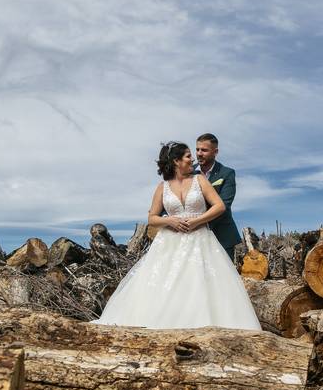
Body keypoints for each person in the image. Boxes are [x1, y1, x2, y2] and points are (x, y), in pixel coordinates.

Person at [92, 141, 261, 330]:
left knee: (199, 284)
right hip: (169, 242)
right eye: (188, 156)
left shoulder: (200, 181)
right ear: (176, 161)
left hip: (199, 239)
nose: (193, 159)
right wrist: (169, 221)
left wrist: (198, 221)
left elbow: (219, 206)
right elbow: (152, 218)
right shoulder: (162, 187)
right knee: (165, 284)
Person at [195, 133, 242, 261]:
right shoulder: (188, 173)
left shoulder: (227, 173)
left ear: (215, 152)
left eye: (204, 150)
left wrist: (197, 222)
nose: (199, 153)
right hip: (193, 237)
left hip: (222, 235)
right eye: (197, 149)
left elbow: (224, 205)